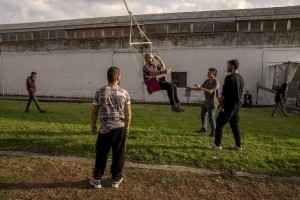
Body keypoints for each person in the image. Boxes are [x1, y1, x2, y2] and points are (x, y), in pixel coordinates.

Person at [90, 66, 131, 189]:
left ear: (108, 77)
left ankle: (97, 179)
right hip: (120, 128)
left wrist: (93, 125)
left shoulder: (99, 92)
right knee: (118, 154)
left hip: (105, 129)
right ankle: (116, 179)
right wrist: (127, 127)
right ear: (118, 77)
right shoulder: (124, 92)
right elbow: (128, 114)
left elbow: (94, 111)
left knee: (101, 153)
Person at [207, 59, 244, 150]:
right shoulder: (241, 78)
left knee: (219, 122)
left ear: (232, 66)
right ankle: (238, 146)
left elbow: (224, 94)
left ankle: (217, 145)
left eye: (228, 65)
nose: (227, 67)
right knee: (234, 125)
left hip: (229, 106)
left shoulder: (229, 77)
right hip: (237, 105)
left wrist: (218, 101)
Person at [187, 68, 220, 136]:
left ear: (214, 74)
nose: (207, 74)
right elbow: (200, 89)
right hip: (206, 102)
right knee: (202, 115)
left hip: (213, 103)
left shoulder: (216, 82)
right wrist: (191, 89)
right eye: (208, 72)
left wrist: (201, 88)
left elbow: (210, 91)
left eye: (209, 73)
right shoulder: (206, 81)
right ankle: (204, 128)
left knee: (211, 118)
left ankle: (214, 132)